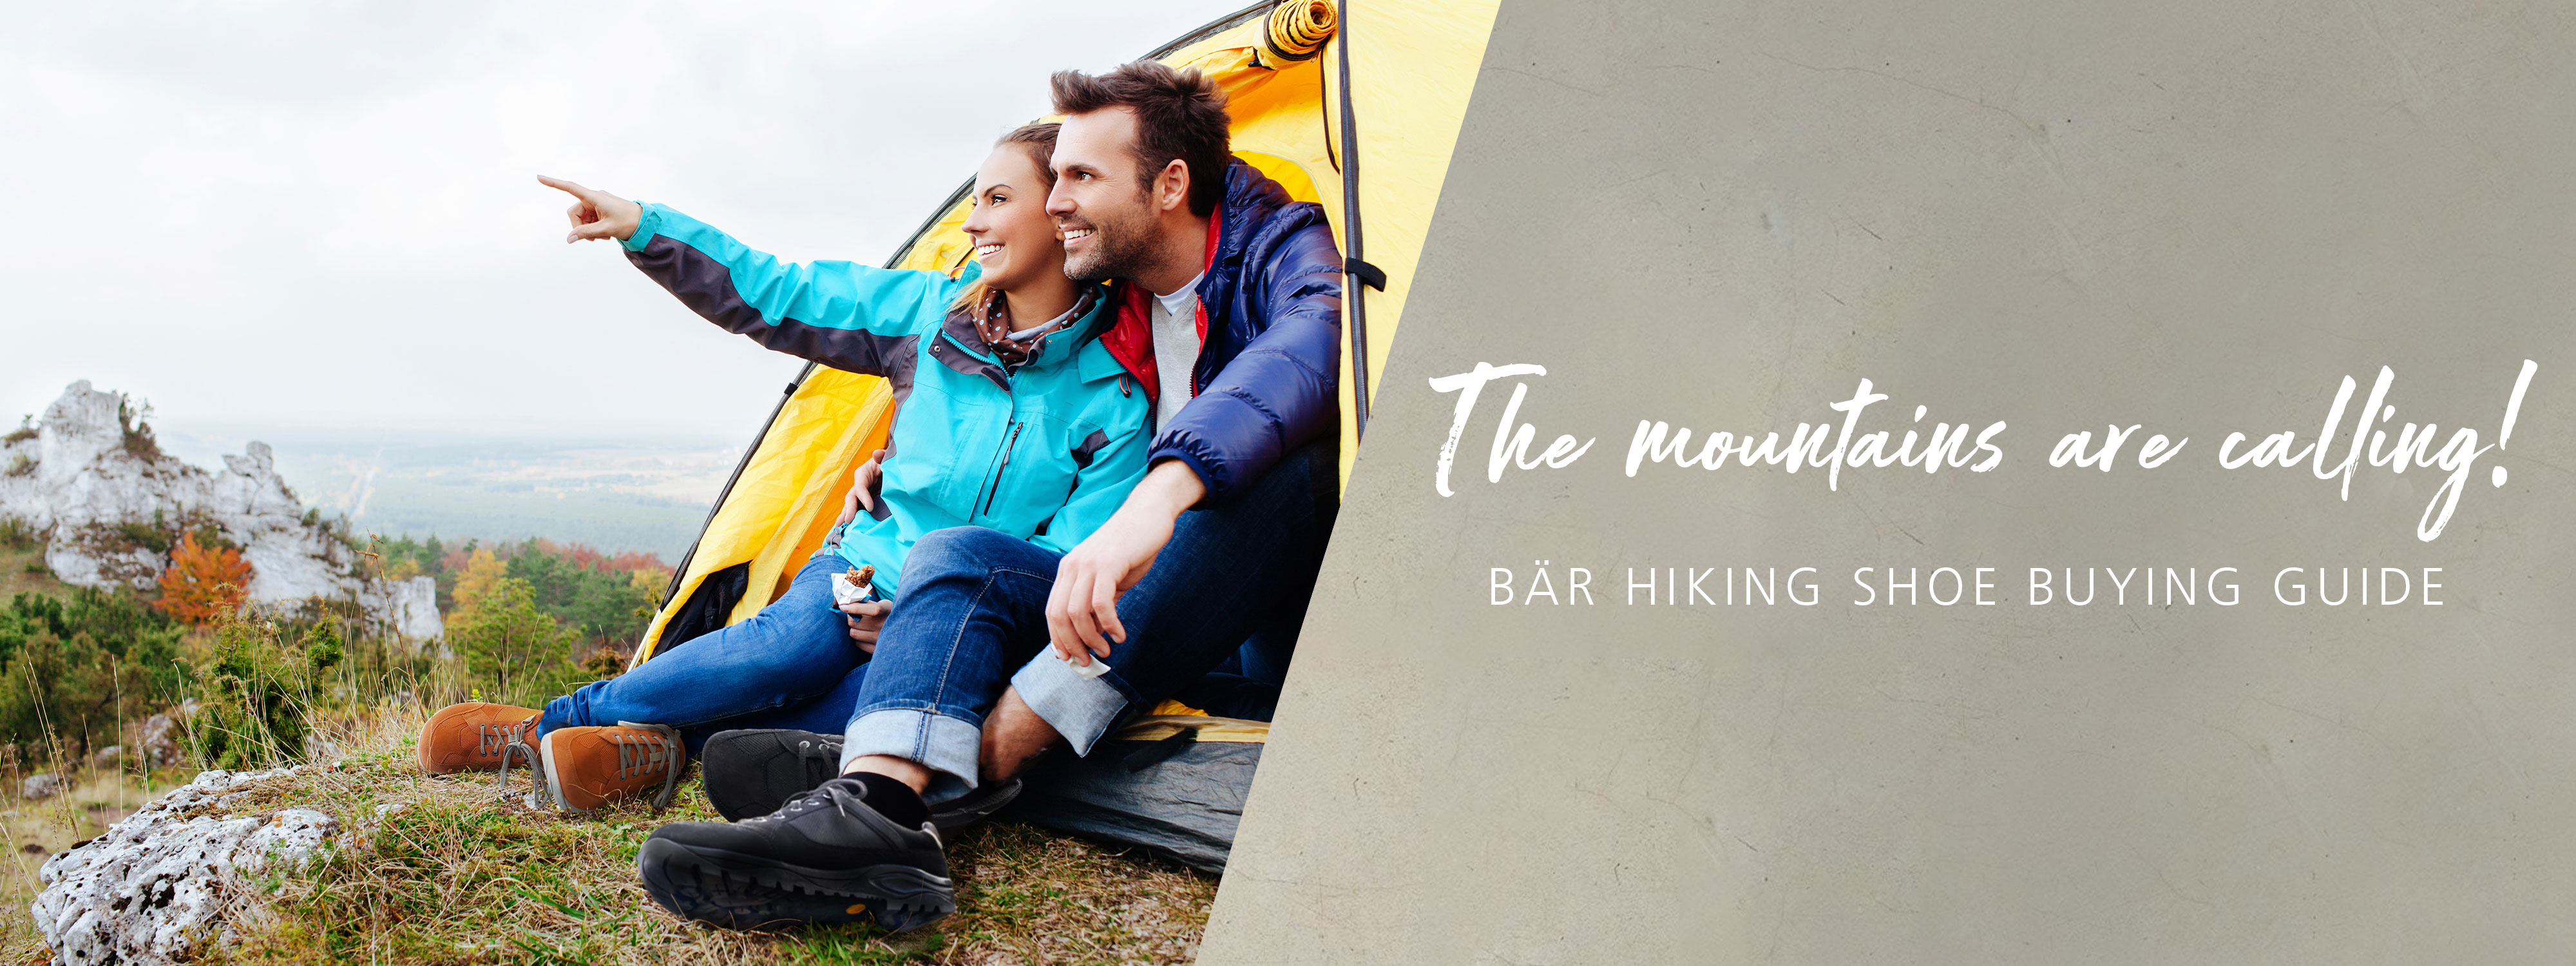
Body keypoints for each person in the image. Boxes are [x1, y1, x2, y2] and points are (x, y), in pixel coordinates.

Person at [635, 59, 1345, 929]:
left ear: (1168, 185)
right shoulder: (1105, 291)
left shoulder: (1278, 249)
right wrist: (897, 462)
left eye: (1080, 178)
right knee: (955, 559)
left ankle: (966, 766)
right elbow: (1003, 408)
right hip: (1102, 606)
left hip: (1247, 605)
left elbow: (1311, 347)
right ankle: (876, 802)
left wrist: (1162, 495)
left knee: (1287, 466)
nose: (1054, 202)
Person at [415, 121, 1153, 884]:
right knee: (789, 648)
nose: (972, 223)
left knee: (867, 717)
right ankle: (553, 726)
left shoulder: (1116, 393)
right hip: (862, 568)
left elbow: (1063, 567)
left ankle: (658, 750)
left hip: (960, 620)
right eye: (974, 200)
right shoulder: (929, 317)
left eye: (998, 199)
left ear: (1062, 211)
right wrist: (647, 229)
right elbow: (783, 292)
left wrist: (926, 623)